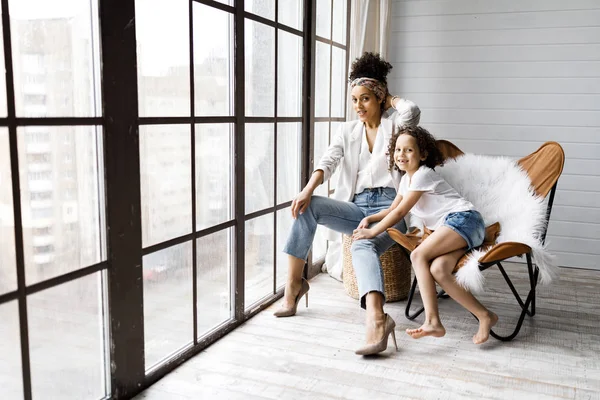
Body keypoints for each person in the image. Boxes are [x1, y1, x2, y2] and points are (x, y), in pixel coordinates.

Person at [273, 52, 420, 355]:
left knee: (361, 244)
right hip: (356, 207)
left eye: (365, 98)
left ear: (379, 97)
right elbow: (328, 161)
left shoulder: (396, 128)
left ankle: (377, 320)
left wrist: (388, 96)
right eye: (354, 100)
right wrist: (307, 189)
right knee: (309, 205)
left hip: (391, 208)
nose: (358, 106)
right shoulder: (347, 131)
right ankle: (294, 285)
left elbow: (412, 110)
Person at [352, 126, 499, 346]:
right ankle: (485, 315)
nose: (402, 155)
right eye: (398, 149)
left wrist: (373, 233)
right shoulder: (405, 181)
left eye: (409, 150)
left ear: (422, 154)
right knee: (439, 270)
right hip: (451, 230)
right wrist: (371, 219)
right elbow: (394, 208)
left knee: (418, 255)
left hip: (465, 220)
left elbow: (402, 212)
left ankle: (432, 321)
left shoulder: (422, 175)